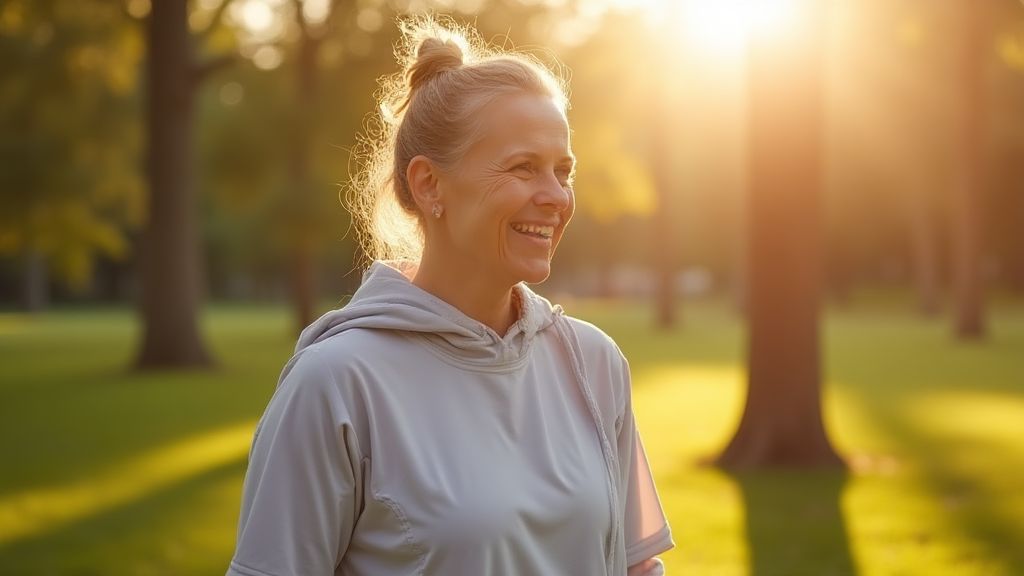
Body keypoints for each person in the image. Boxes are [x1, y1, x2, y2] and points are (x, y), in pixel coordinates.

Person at [226, 15, 673, 576]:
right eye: (523, 168)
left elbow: (635, 566)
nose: (556, 197)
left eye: (563, 171)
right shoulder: (337, 382)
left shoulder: (593, 363)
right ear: (429, 184)